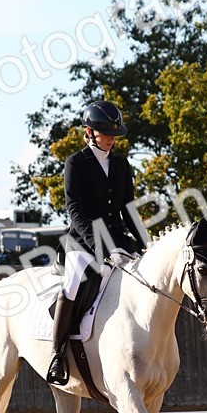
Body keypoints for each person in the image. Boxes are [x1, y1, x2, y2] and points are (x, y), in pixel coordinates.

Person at [46, 100, 145, 385]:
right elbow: (75, 210)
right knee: (73, 283)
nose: (112, 138)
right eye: (105, 132)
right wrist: (100, 246)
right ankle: (57, 354)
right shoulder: (76, 163)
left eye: (114, 133)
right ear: (89, 132)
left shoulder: (121, 165)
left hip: (117, 238)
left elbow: (128, 209)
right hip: (82, 241)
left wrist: (144, 244)